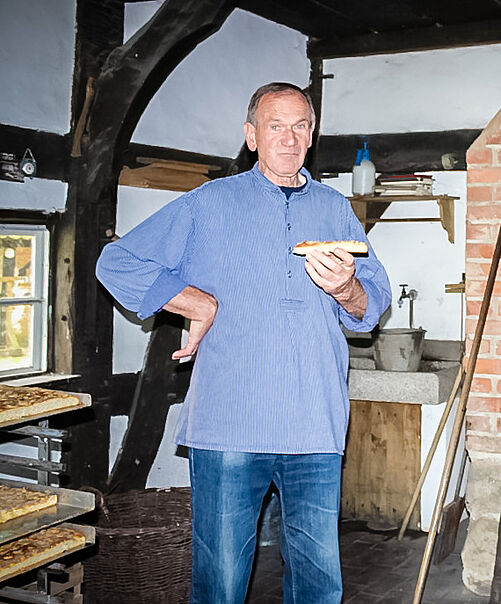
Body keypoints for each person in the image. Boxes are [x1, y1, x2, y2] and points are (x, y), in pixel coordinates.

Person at [96, 82, 391, 604]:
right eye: (276, 126)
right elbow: (116, 263)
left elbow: (374, 305)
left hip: (314, 423)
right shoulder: (209, 203)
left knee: (319, 580)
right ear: (252, 136)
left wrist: (347, 289)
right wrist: (194, 302)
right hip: (230, 421)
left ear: (312, 133)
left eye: (301, 125)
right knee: (222, 581)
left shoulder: (335, 209)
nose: (290, 138)